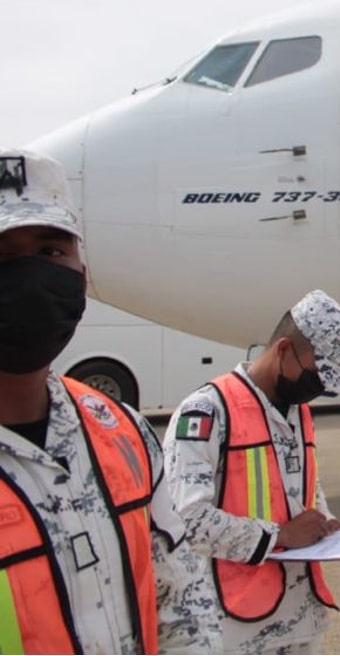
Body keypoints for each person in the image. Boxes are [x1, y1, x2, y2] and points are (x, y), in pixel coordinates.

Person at [0, 147, 221, 654]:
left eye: (51, 252)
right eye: (2, 257)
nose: (31, 280)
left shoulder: (120, 431)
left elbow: (183, 599)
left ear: (81, 272)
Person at [163, 289, 340, 654]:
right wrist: (279, 535)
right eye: (315, 375)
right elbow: (185, 522)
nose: (317, 389)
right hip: (235, 629)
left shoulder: (297, 413)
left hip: (301, 620)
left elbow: (305, 488)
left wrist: (324, 521)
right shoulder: (207, 412)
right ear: (284, 350)